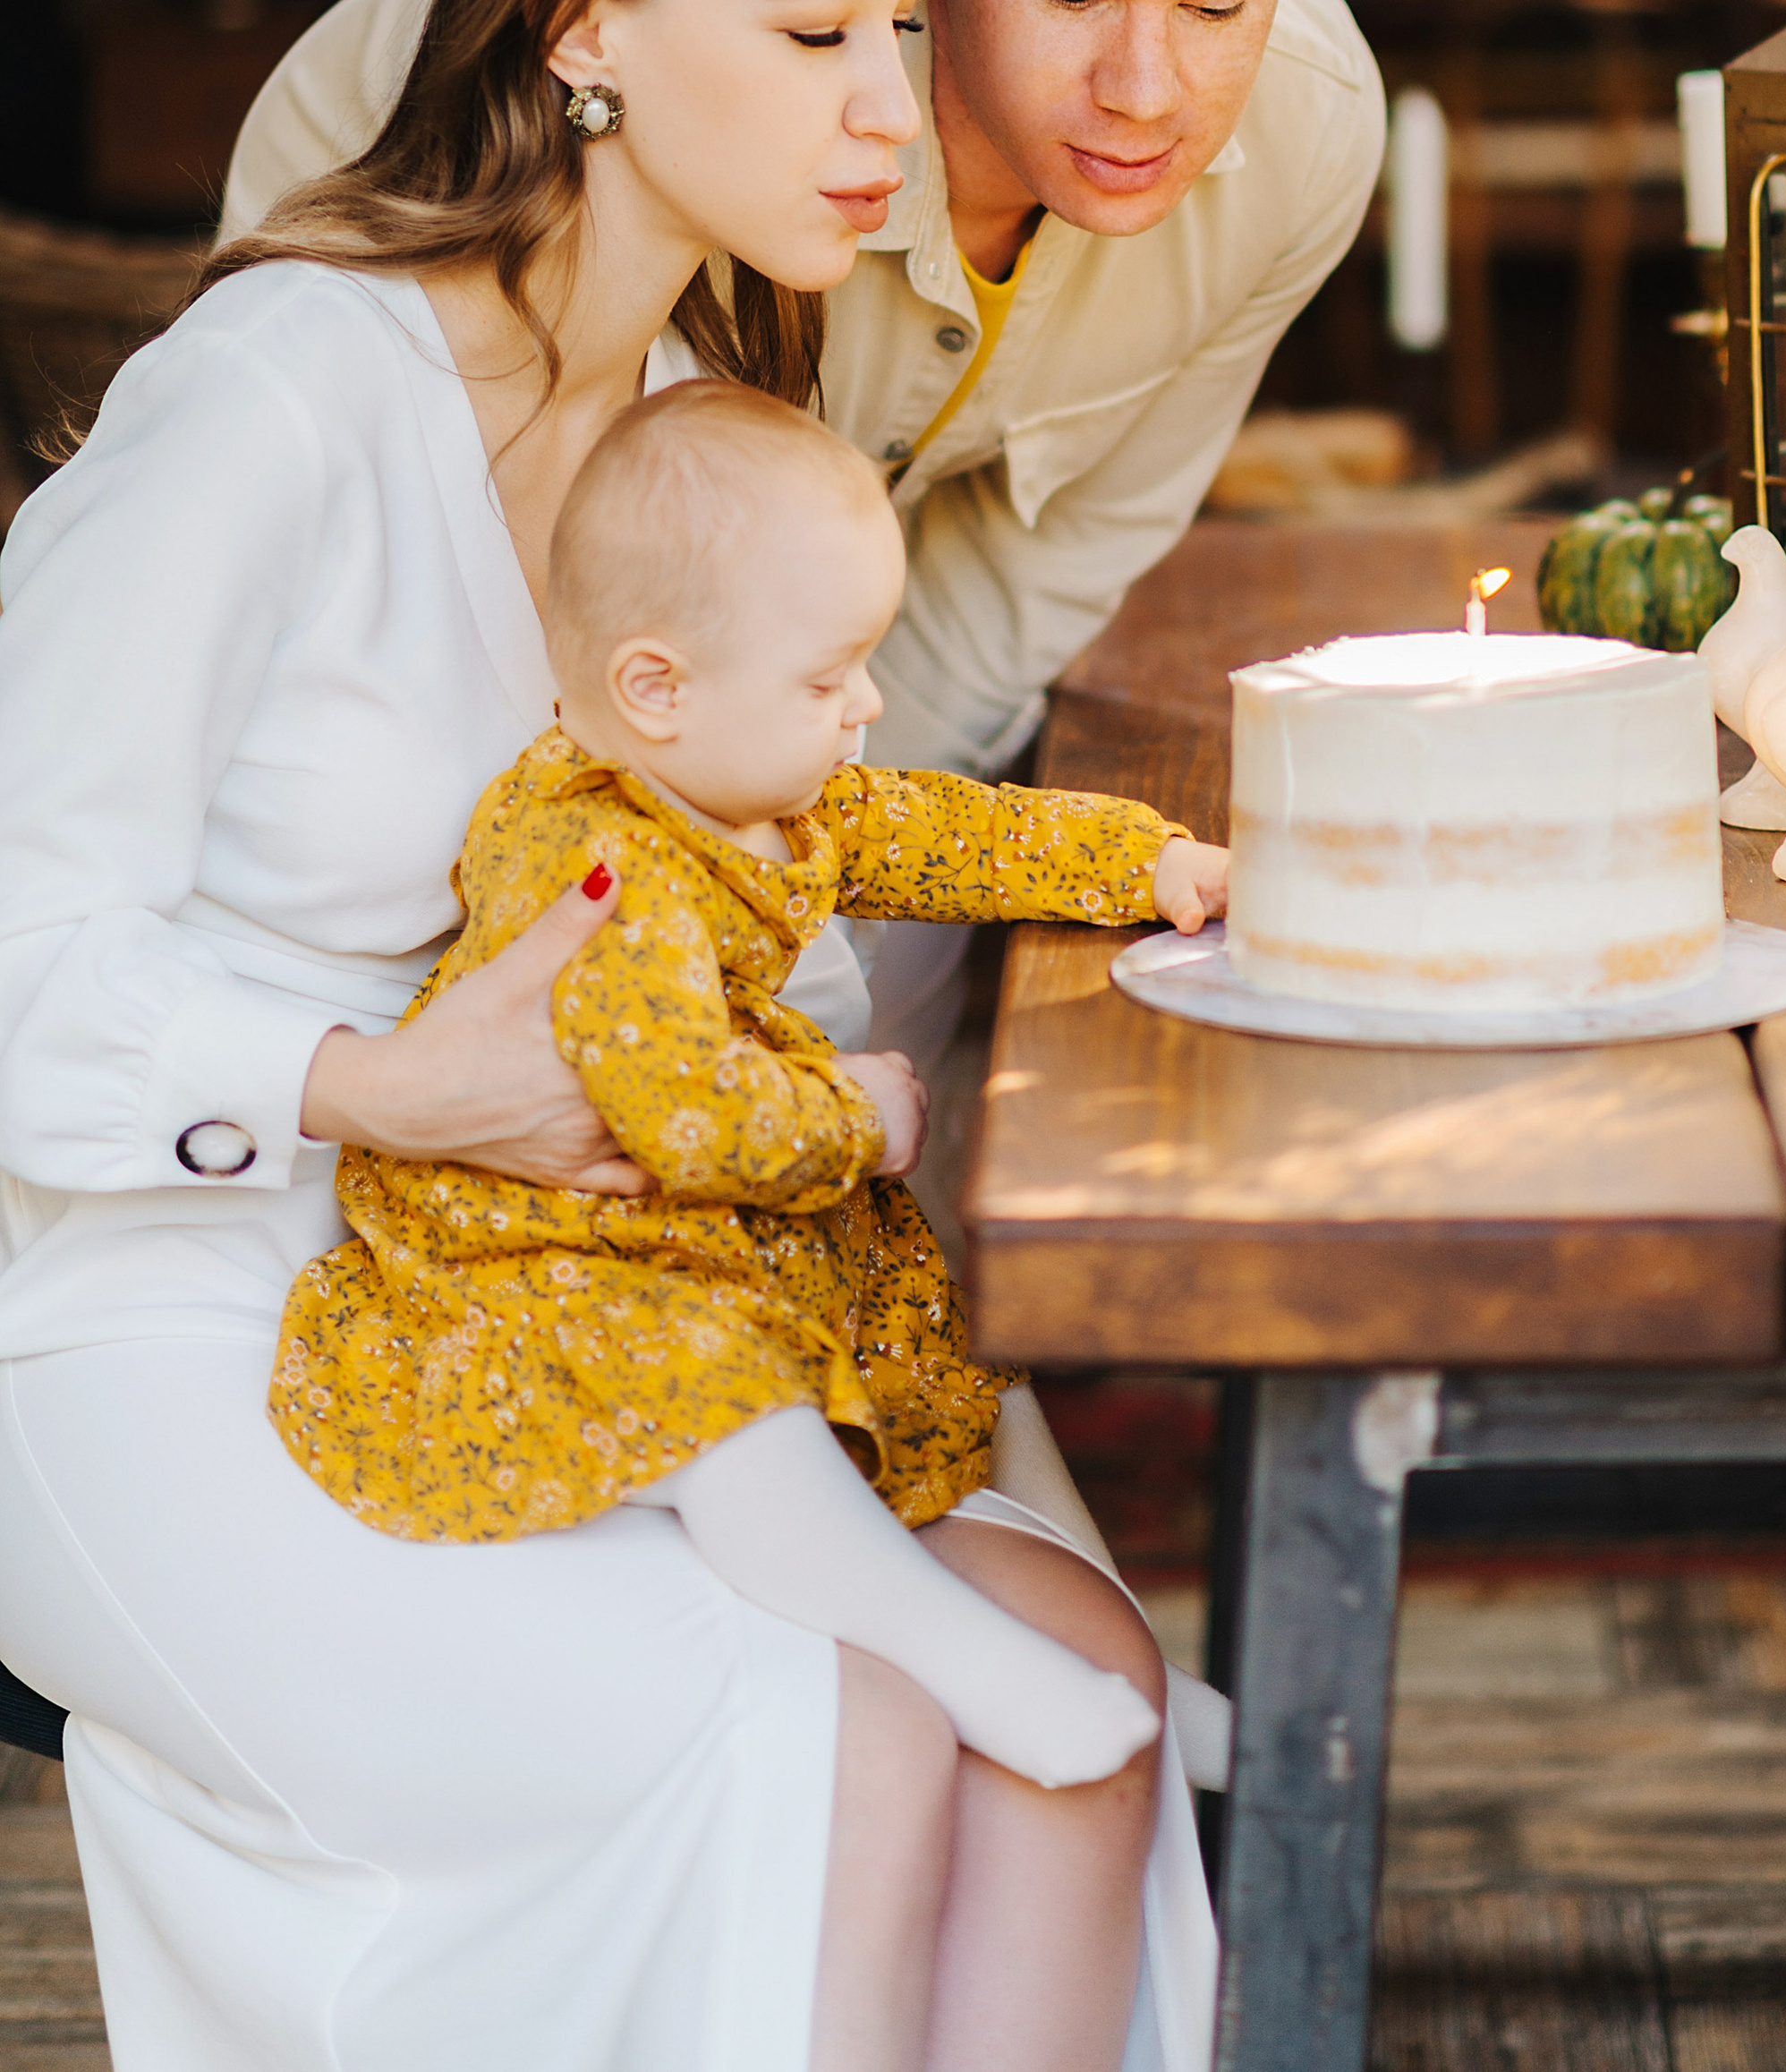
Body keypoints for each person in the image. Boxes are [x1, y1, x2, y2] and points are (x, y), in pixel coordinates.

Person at [0, 0, 1212, 2072]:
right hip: (161, 1320)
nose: (893, 108)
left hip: (580, 1286)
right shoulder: (277, 394)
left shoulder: (691, 436)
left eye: (902, 27)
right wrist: (365, 1085)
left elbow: (772, 912)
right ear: (585, 30)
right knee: (836, 1732)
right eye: (818, 29)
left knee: (1088, 1689)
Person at [220, 0, 1387, 1084]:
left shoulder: (1314, 122)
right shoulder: (686, 110)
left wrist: (831, 875)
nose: (1148, 92)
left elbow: (1050, 566)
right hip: (452, 724)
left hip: (851, 750)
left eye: (1224, 1)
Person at [272, 377, 1227, 1796]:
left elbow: (939, 829)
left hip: (676, 1220)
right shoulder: (599, 866)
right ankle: (959, 1656)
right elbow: (678, 1115)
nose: (869, 705)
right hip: (538, 1252)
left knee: (948, 1349)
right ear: (655, 686)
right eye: (831, 676)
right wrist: (862, 1115)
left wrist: (1140, 862)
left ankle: (1121, 1641)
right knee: (730, 1404)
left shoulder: (742, 784)